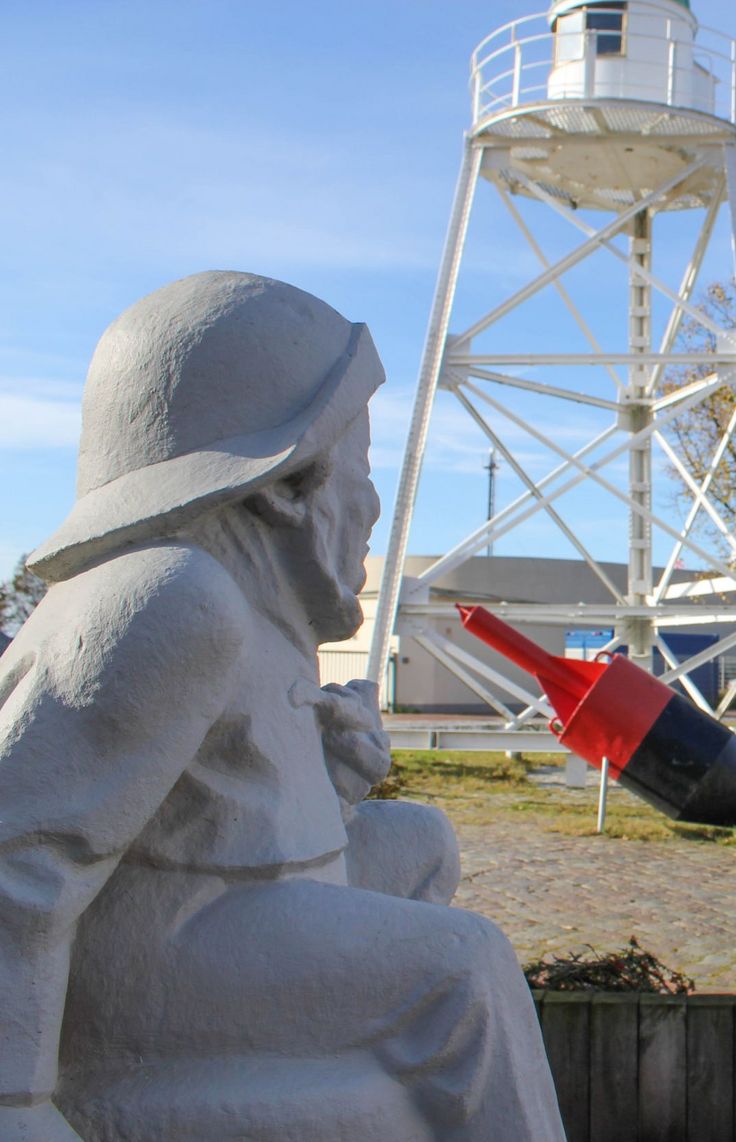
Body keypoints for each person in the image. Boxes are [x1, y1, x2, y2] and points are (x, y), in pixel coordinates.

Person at [0, 273, 564, 1141]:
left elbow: (199, 818)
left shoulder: (252, 609)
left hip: (216, 917)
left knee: (419, 843)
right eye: (362, 471)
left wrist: (327, 785)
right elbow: (19, 857)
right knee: (466, 967)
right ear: (287, 485)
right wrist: (19, 1104)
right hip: (149, 967)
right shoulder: (175, 597)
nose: (372, 506)